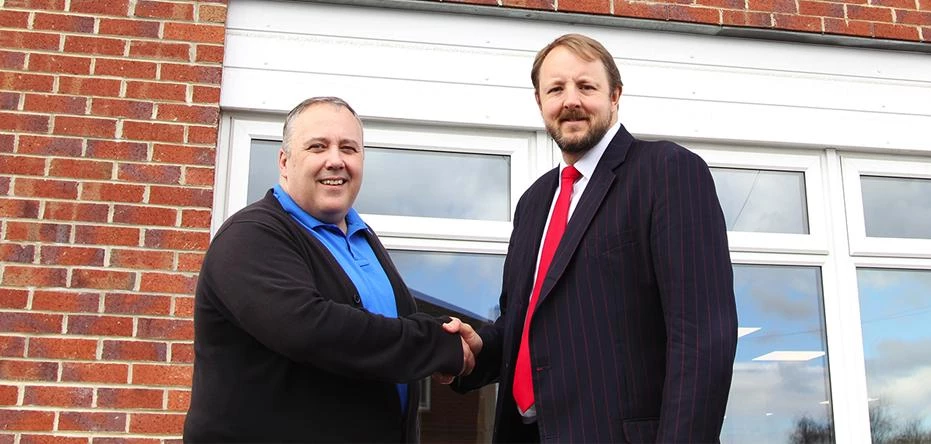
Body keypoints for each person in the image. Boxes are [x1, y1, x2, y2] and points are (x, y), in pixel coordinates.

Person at [445, 34, 738, 443]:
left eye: (586, 86)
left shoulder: (667, 172)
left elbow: (703, 336)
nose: (571, 101)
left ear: (615, 95)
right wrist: (482, 349)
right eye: (556, 89)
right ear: (539, 102)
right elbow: (528, 324)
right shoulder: (534, 203)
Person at [183, 96, 476, 443]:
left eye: (349, 148)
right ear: (284, 161)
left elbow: (388, 325)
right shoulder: (251, 235)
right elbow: (311, 329)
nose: (335, 161)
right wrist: (438, 346)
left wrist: (463, 338)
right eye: (317, 147)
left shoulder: (363, 239)